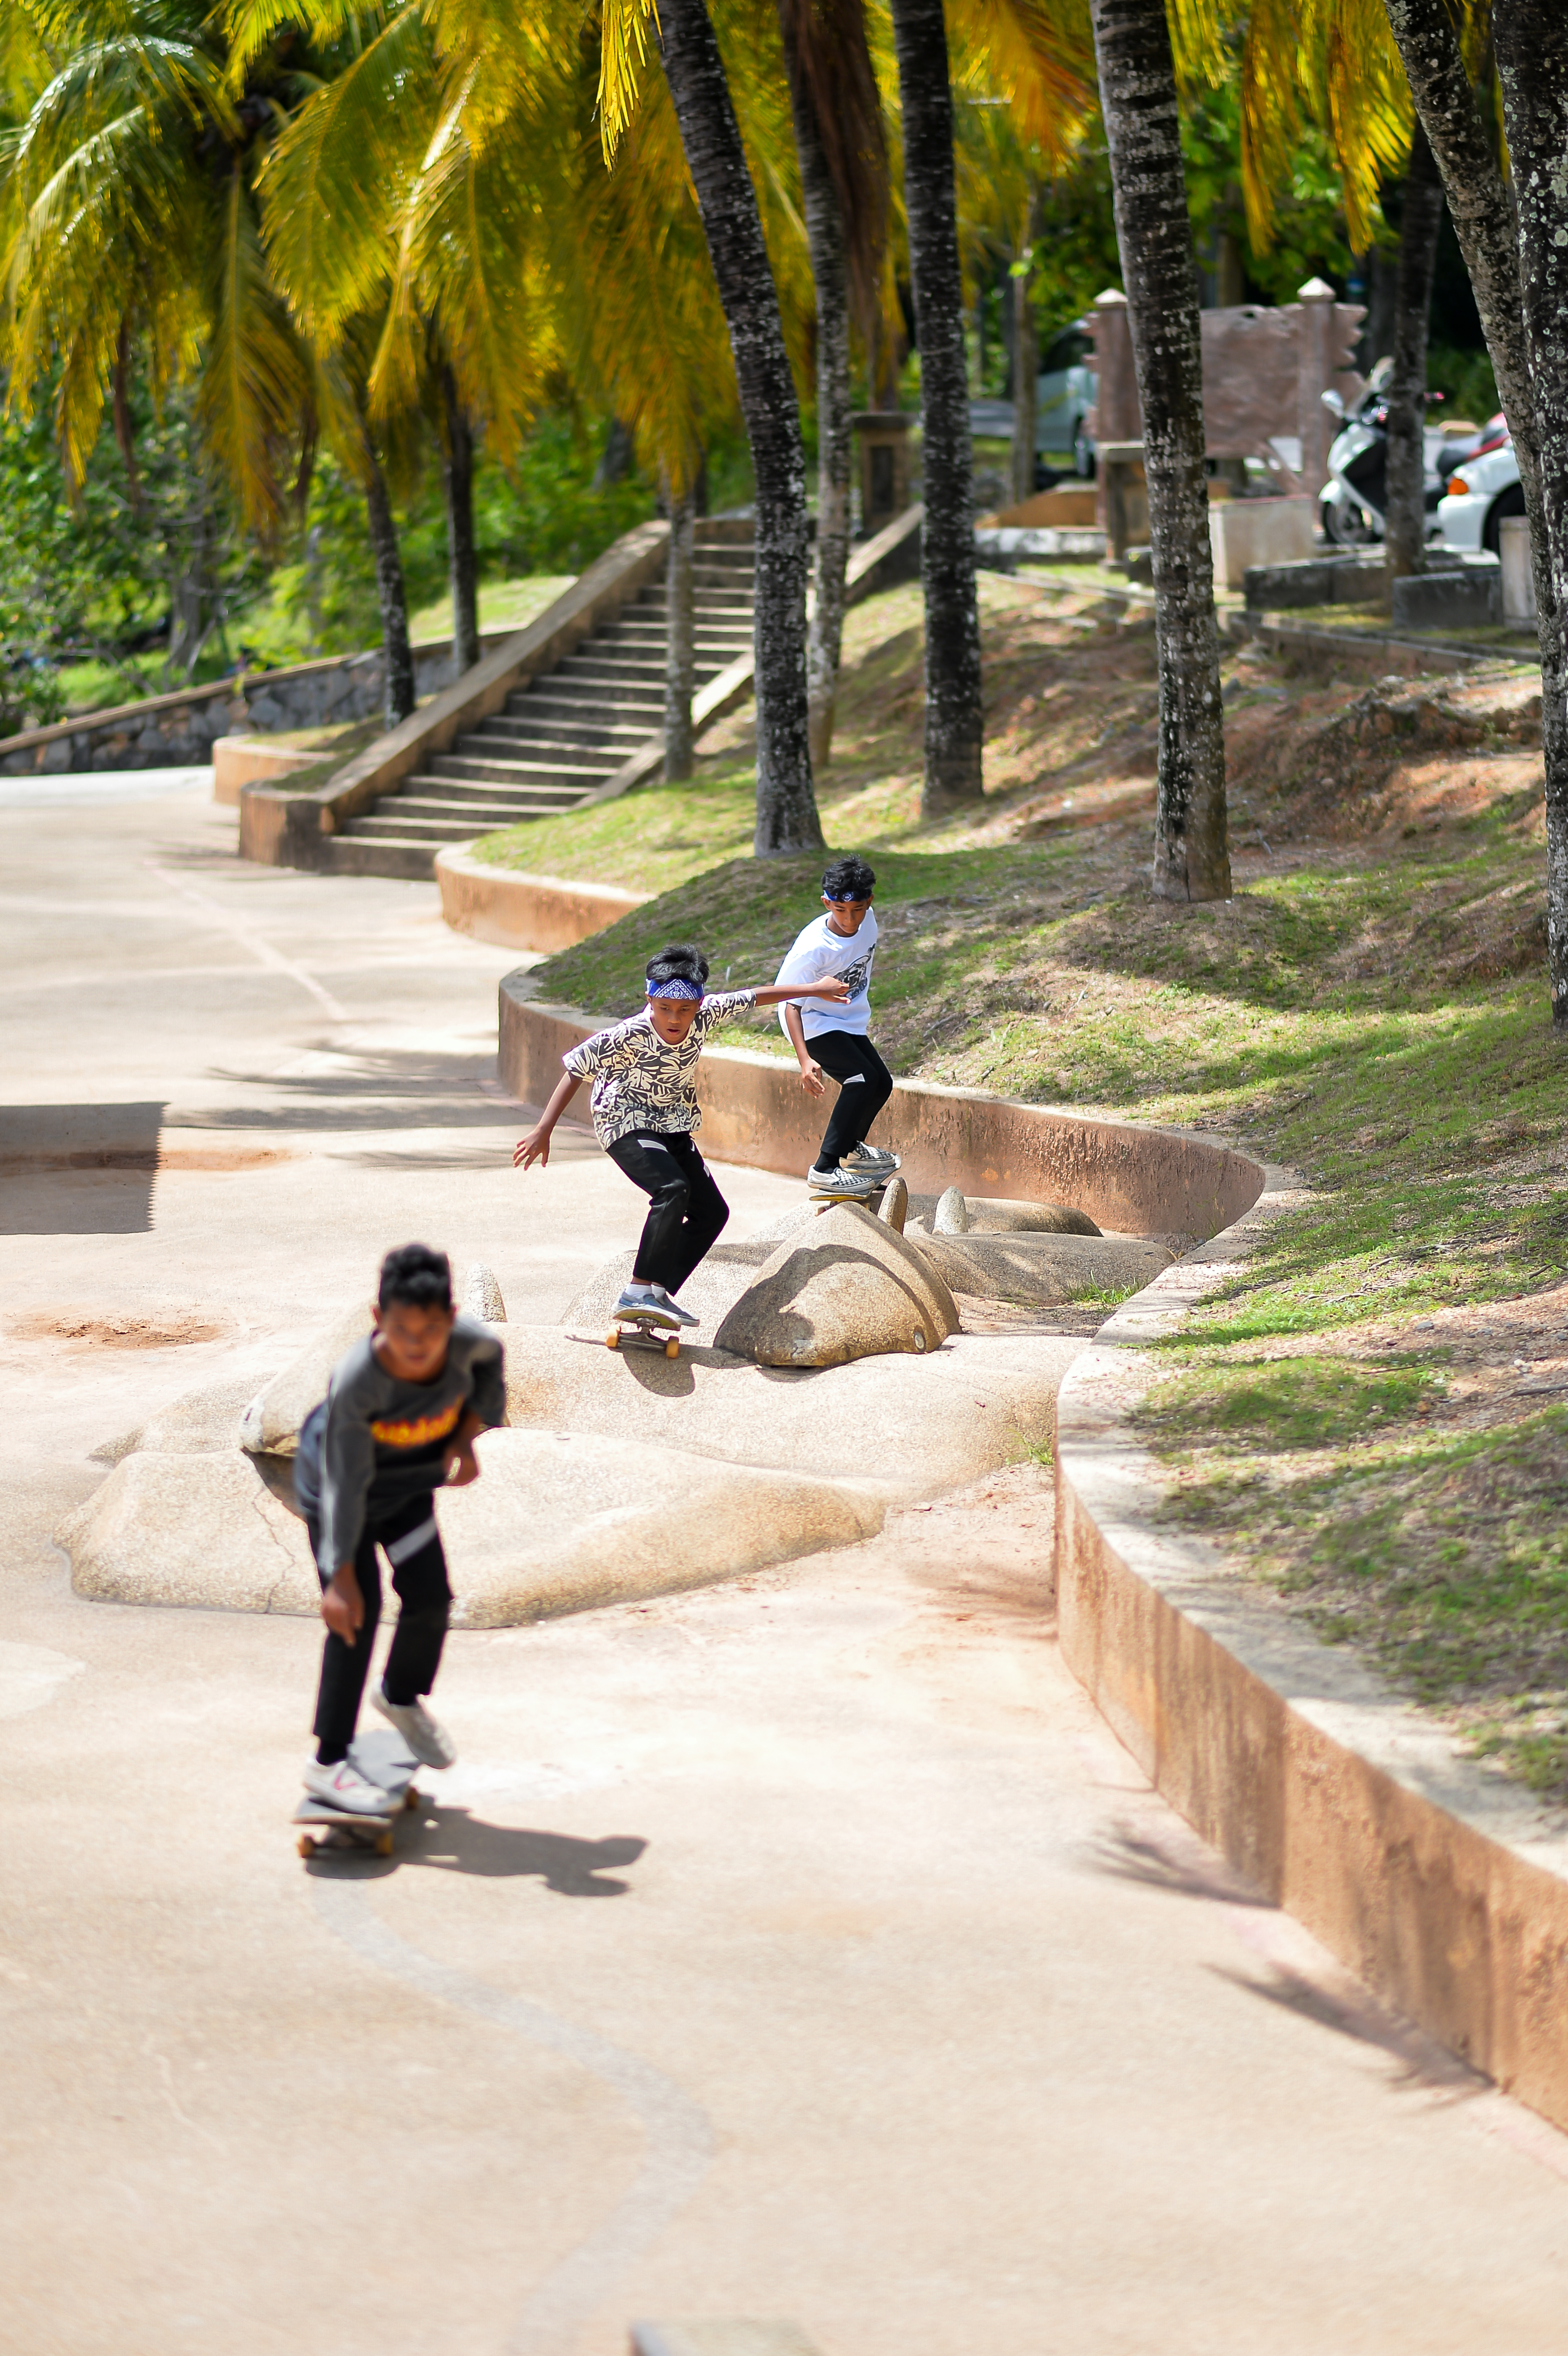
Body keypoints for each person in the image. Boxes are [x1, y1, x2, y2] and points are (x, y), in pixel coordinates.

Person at [513, 942, 850, 1329]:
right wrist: (544, 1129)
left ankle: (657, 1293)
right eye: (665, 1009)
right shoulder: (629, 1034)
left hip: (672, 1122)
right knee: (672, 1189)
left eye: (686, 1010)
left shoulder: (707, 1014)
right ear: (649, 1000)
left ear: (699, 1004)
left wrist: (816, 989)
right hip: (622, 1119)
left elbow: (757, 996)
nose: (675, 1019)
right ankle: (638, 1290)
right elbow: (575, 1067)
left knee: (712, 1213)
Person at [293, 1243, 506, 1816]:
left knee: (431, 1597)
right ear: (377, 1319)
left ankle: (399, 1695)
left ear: (450, 1317)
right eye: (402, 1330)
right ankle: (327, 1762)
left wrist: (463, 1439)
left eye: (431, 1330)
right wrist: (338, 1579)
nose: (417, 1345)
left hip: (407, 1487)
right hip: (343, 1495)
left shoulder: (471, 1342)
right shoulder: (359, 1380)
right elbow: (342, 1483)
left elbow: (489, 1364)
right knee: (355, 1618)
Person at [774, 854, 899, 1200]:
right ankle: (825, 1168)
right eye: (840, 911)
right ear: (826, 903)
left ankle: (852, 1147)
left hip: (847, 1018)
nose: (850, 919)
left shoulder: (869, 919)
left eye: (857, 910)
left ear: (869, 903)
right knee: (859, 1079)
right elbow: (789, 1005)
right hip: (809, 1021)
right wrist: (804, 1060)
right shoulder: (814, 948)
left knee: (880, 1083)